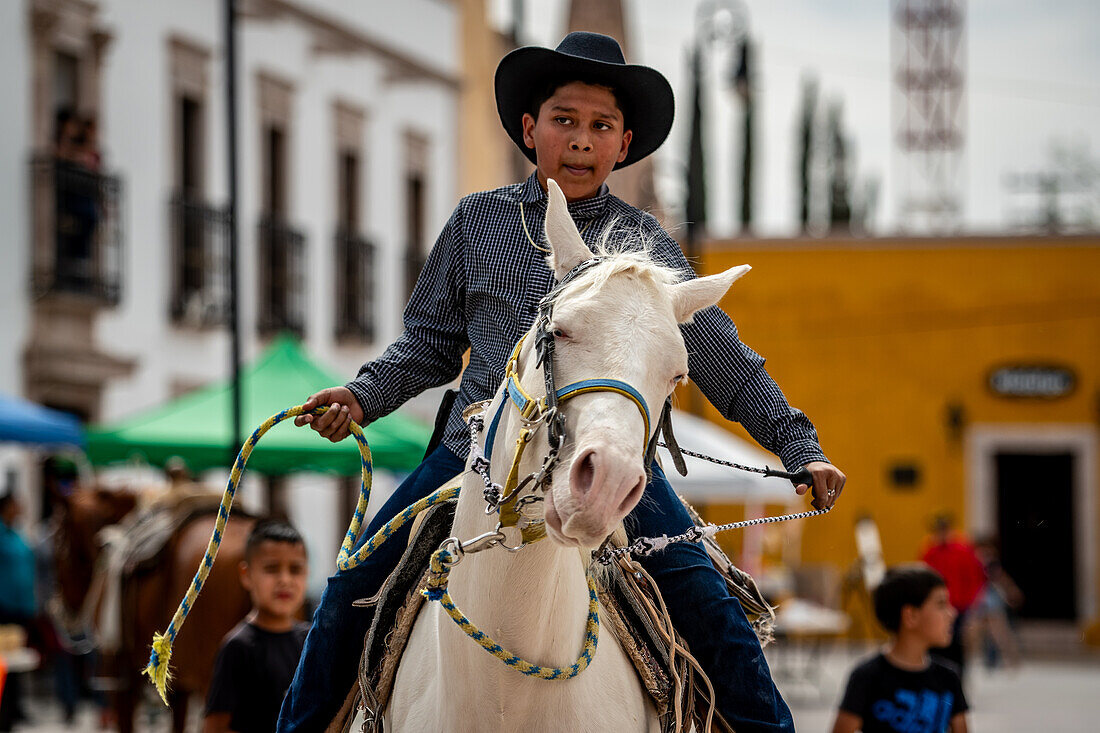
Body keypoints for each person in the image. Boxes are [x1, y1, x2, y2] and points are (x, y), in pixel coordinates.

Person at [280, 32, 846, 733]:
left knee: (715, 613)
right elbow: (427, 346)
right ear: (530, 129)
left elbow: (725, 360)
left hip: (609, 455)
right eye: (565, 121)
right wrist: (361, 395)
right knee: (347, 594)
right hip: (473, 456)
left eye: (600, 127)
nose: (581, 140)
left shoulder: (645, 250)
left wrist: (799, 445)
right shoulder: (476, 223)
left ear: (623, 143)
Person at [832, 564, 969, 733]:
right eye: (941, 604)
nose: (952, 613)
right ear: (910, 616)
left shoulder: (949, 679)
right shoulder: (866, 678)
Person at [204, 519, 309, 733]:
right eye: (272, 569)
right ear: (247, 575)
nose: (285, 580)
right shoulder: (238, 648)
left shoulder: (311, 640)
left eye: (295, 569)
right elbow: (215, 726)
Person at [920, 515, 985, 674]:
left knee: (955, 643)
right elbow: (923, 577)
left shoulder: (962, 550)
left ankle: (956, 677)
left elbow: (975, 577)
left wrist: (972, 603)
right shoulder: (931, 551)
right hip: (936, 605)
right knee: (935, 642)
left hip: (959, 605)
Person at [0, 486, 36, 732]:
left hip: (21, 608)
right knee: (5, 663)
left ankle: (13, 708)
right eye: (16, 504)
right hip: (4, 607)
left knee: (17, 663)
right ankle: (5, 710)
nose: (20, 508)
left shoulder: (17, 534)